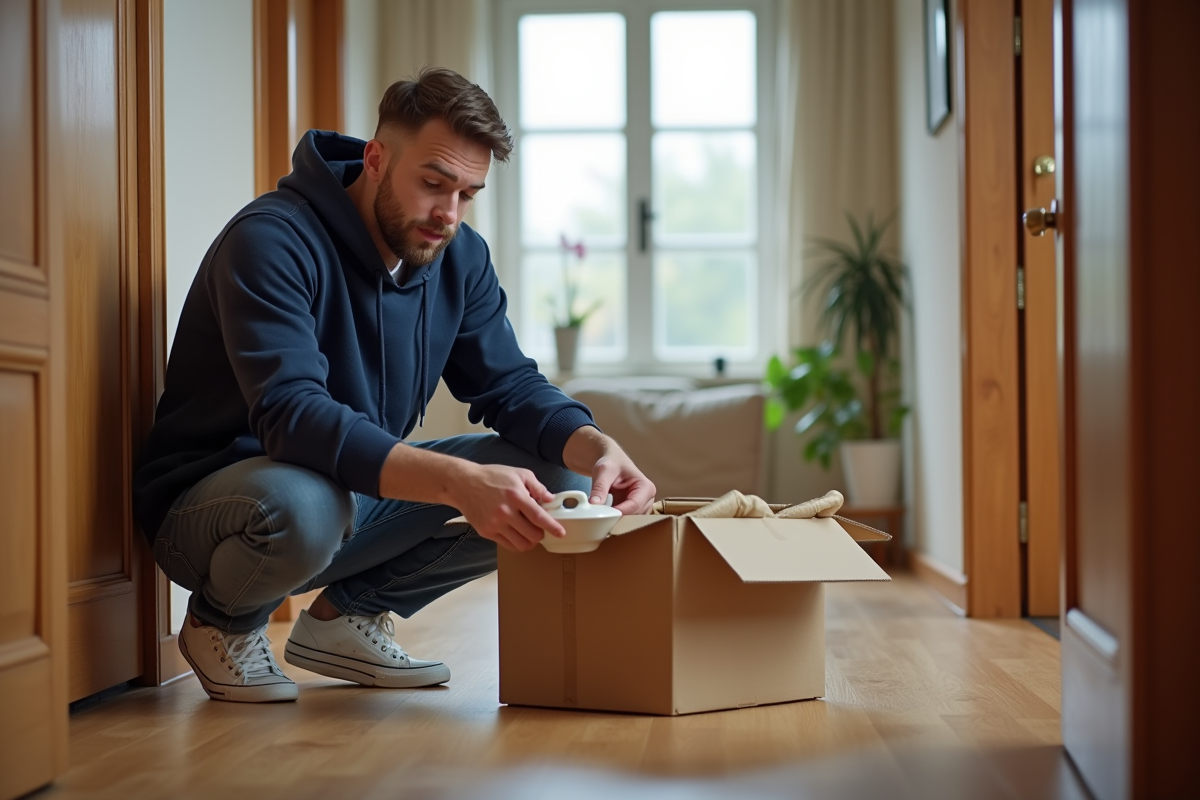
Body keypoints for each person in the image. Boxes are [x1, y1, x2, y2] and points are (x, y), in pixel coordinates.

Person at [133, 67, 656, 704]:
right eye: (433, 184)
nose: (448, 214)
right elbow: (293, 417)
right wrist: (457, 481)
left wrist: (598, 447)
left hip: (345, 498)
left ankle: (345, 616)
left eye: (467, 194)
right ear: (377, 159)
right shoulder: (271, 239)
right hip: (219, 511)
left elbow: (511, 386)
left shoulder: (459, 256)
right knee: (309, 503)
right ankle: (222, 620)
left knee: (559, 481)